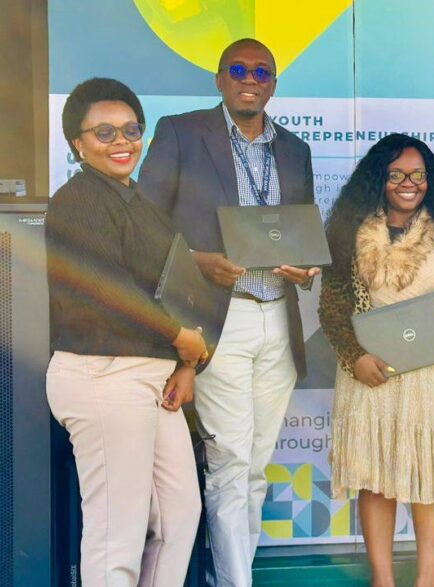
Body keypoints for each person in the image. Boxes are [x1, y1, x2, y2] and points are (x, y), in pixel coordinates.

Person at [138, 38, 319, 585]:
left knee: (256, 466)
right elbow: (143, 223)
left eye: (262, 71)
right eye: (238, 69)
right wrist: (196, 261)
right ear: (219, 79)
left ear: (273, 84)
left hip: (278, 318)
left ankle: (228, 576)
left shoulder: (295, 149)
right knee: (230, 463)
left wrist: (307, 268)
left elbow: (302, 234)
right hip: (219, 318)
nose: (250, 78)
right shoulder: (181, 132)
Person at [46, 77, 212, 586]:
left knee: (180, 512)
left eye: (131, 130)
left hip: (151, 375)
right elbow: (108, 287)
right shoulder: (78, 200)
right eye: (104, 133)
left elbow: (174, 284)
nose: (122, 142)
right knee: (117, 531)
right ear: (78, 143)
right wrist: (181, 338)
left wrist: (184, 365)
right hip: (103, 374)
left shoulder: (136, 200)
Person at [318, 134, 434, 587]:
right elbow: (332, 307)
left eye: (418, 174)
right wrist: (355, 358)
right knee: (377, 477)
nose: (409, 183)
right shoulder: (348, 233)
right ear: (379, 179)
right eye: (396, 174)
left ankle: (427, 579)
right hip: (373, 372)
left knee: (430, 474)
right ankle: (383, 579)